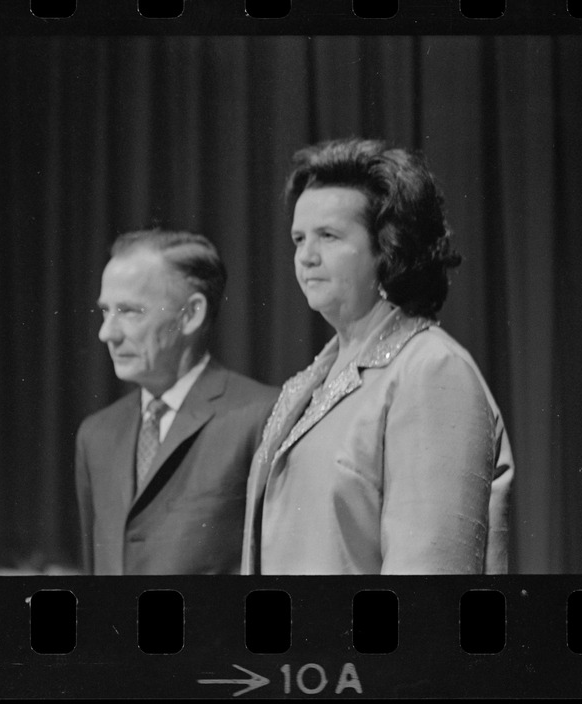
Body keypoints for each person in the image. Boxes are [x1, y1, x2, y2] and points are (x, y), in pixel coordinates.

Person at [242, 138, 514, 575]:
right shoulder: (311, 380)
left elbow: (430, 584)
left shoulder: (431, 369)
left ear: (387, 247)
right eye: (298, 239)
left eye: (328, 236)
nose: (305, 257)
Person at [76, 229, 278, 574]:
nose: (107, 333)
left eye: (129, 311)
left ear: (190, 315)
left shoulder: (261, 416)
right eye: (106, 311)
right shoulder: (95, 435)